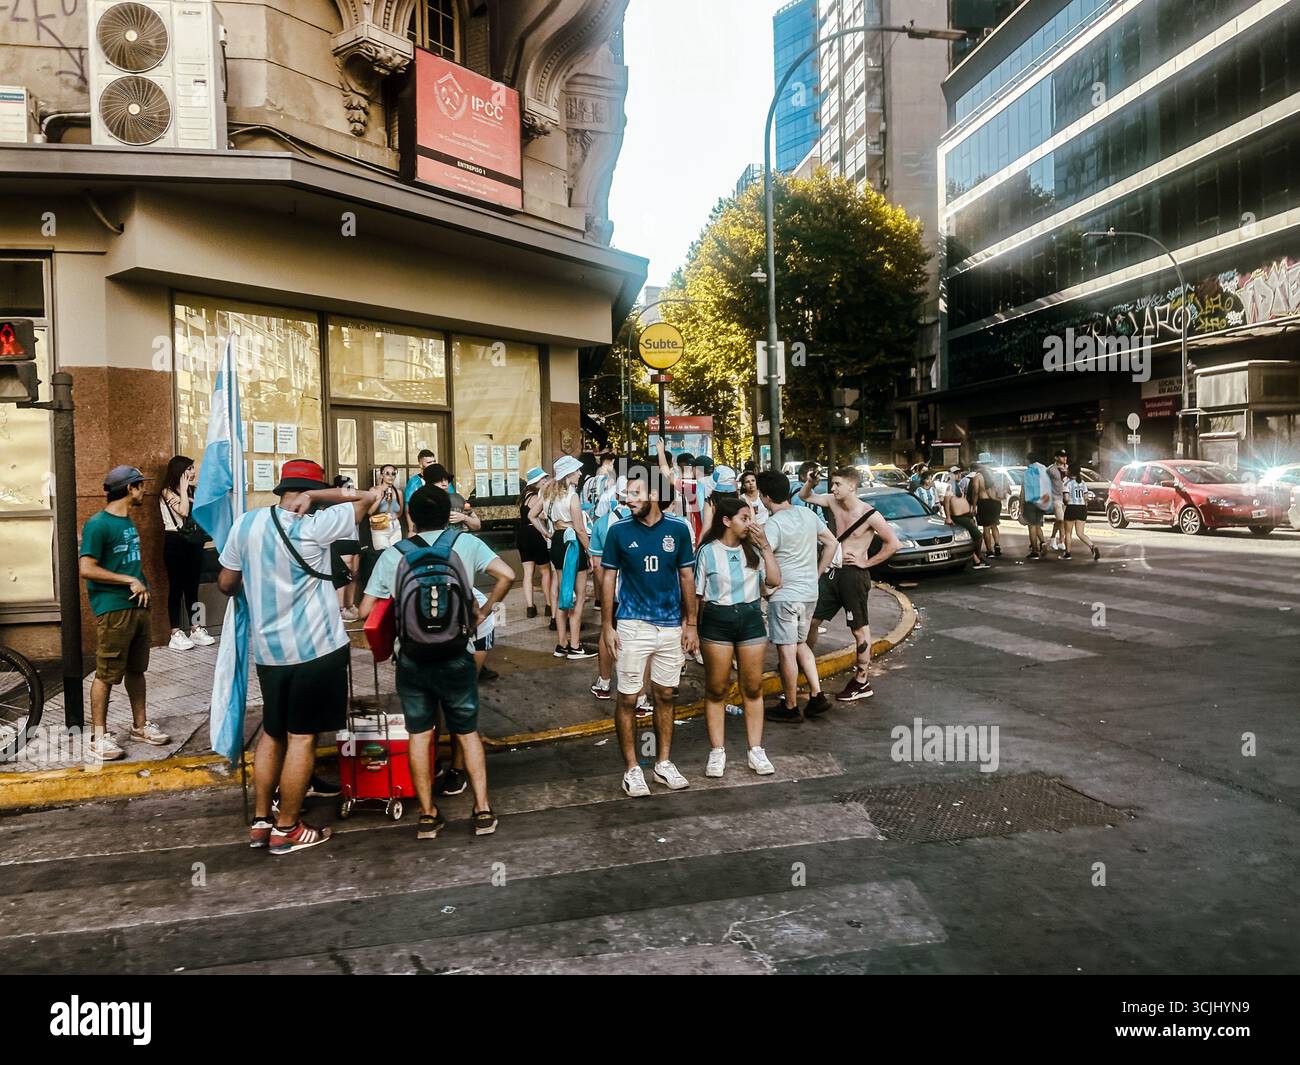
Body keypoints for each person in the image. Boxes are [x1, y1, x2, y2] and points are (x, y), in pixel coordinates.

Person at [216, 460, 377, 853]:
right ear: (309, 491)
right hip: (316, 650)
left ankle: (260, 820)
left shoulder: (246, 524)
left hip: (270, 653)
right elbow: (371, 497)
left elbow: (225, 583)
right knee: (302, 737)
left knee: (273, 731)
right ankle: (287, 828)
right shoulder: (316, 525)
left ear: (281, 488)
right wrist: (319, 496)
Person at [358, 485, 514, 839]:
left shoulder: (393, 554)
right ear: (448, 515)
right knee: (467, 731)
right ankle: (483, 810)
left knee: (419, 733)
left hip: (412, 659)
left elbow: (366, 611)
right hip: (456, 654)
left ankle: (427, 815)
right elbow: (508, 575)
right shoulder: (466, 544)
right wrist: (484, 612)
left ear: (410, 516)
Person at [598, 470, 698, 797]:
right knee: (628, 698)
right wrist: (607, 626)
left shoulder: (678, 530)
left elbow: (686, 578)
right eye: (628, 493)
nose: (630, 498)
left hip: (670, 626)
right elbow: (608, 579)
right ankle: (632, 769)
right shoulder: (618, 532)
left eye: (636, 492)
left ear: (654, 494)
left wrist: (691, 624)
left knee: (666, 695)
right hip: (632, 624)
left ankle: (663, 763)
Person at [78, 465, 172, 762]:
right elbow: (86, 568)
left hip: (137, 607)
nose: (144, 490)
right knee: (106, 674)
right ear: (130, 488)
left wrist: (140, 584)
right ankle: (98, 736)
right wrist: (129, 580)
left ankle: (139, 725)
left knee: (136, 670)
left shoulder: (127, 521)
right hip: (114, 609)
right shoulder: (99, 524)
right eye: (141, 485)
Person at [695, 494, 782, 778]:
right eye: (745, 518)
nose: (750, 524)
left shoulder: (754, 552)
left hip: (751, 620)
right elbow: (697, 596)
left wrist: (766, 548)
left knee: (753, 688)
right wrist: (693, 630)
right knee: (717, 688)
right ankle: (717, 750)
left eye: (751, 518)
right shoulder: (707, 552)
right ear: (726, 521)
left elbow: (774, 580)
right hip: (716, 621)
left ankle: (756, 750)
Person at [800, 466, 904, 702]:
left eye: (837, 484)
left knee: (858, 629)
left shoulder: (870, 514)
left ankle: (861, 680)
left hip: (853, 575)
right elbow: (804, 497)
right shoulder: (833, 502)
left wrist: (866, 563)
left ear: (851, 486)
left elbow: (893, 544)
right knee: (812, 619)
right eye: (832, 484)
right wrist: (811, 483)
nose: (833, 488)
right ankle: (802, 662)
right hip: (832, 572)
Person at [757, 470, 838, 722]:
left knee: (787, 650)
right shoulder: (806, 514)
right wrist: (817, 572)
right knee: (801, 644)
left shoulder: (773, 524)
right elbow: (832, 543)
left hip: (785, 595)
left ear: (766, 496)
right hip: (809, 592)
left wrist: (764, 590)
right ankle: (816, 695)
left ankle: (791, 706)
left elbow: (765, 559)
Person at [543, 454, 596, 659]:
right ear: (568, 474)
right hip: (572, 543)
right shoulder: (572, 497)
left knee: (563, 593)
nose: (580, 473)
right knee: (579, 596)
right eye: (577, 470)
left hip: (556, 541)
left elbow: (532, 515)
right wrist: (591, 552)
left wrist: (545, 532)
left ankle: (562, 643)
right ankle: (575, 646)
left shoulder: (548, 495)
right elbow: (581, 530)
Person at [159, 454, 214, 651]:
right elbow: (183, 511)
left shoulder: (194, 490)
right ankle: (175, 632)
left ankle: (196, 627)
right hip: (175, 542)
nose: (193, 472)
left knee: (193, 587)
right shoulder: (167, 492)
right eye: (189, 469)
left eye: (192, 468)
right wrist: (183, 489)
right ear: (179, 471)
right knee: (176, 588)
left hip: (194, 542)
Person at [588, 475, 633, 702]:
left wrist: (605, 591)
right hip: (639, 593)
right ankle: (639, 695)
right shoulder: (645, 521)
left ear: (616, 496)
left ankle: (604, 683)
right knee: (637, 640)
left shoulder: (601, 523)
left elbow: (597, 565)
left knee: (608, 634)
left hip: (613, 592)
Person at [515, 467, 552, 620]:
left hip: (522, 535)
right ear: (536, 482)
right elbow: (541, 515)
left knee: (528, 573)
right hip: (535, 534)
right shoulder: (536, 497)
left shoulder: (523, 497)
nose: (545, 481)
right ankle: (550, 605)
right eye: (543, 479)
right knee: (545, 571)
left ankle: (530, 607)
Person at [943, 471, 992, 571]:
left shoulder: (959, 485)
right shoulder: (950, 486)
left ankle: (976, 558)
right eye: (956, 473)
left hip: (966, 515)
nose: (959, 475)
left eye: (959, 473)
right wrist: (948, 517)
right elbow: (946, 502)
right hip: (959, 517)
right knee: (978, 536)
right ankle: (976, 558)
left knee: (974, 538)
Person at [330, 474, 363, 620]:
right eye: (346, 487)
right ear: (337, 488)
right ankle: (340, 608)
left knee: (355, 573)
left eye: (351, 487)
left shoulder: (354, 501)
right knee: (344, 574)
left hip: (354, 539)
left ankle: (350, 605)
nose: (349, 490)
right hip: (340, 540)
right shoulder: (331, 503)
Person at [423, 463, 481, 532]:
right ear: (429, 484)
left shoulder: (457, 498)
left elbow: (477, 526)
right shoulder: (424, 502)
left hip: (460, 540)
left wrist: (464, 518)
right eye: (439, 480)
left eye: (445, 479)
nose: (444, 484)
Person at [1062, 464, 1101, 561]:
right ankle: (1092, 546)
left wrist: (1065, 503)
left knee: (1068, 533)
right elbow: (1086, 497)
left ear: (1070, 472)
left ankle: (1068, 553)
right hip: (1082, 508)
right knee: (1080, 533)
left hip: (1071, 508)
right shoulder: (1083, 483)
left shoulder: (1067, 484)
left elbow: (1066, 499)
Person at [366, 464, 405, 550]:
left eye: (393, 473)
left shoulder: (399, 493)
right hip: (380, 526)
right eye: (387, 473)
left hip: (395, 526)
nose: (390, 476)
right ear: (381, 475)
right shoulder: (374, 490)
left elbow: (400, 511)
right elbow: (369, 512)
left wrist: (394, 517)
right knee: (382, 554)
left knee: (396, 553)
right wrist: (381, 497)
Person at [1022, 455, 1052, 560]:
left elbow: (1024, 490)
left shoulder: (1027, 473)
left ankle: (1034, 551)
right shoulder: (1043, 470)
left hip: (1030, 503)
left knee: (1031, 527)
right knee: (1038, 525)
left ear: (1028, 460)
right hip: (1041, 502)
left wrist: (1021, 506)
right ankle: (1043, 543)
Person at [1047, 450, 1068, 552]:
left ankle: (1061, 541)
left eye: (1065, 456)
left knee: (1062, 521)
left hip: (1066, 498)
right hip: (1055, 498)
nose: (1064, 458)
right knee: (1061, 519)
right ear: (1056, 457)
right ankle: (1053, 538)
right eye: (1061, 456)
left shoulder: (1068, 468)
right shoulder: (1051, 469)